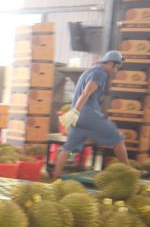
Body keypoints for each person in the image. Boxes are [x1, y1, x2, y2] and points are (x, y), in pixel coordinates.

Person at [53, 50, 129, 179]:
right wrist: (76, 111)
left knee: (69, 148)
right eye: (117, 66)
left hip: (77, 118)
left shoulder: (91, 71)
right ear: (110, 63)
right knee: (117, 138)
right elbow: (85, 93)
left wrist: (74, 113)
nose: (117, 70)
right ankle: (129, 171)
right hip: (86, 115)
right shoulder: (100, 73)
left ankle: (55, 176)